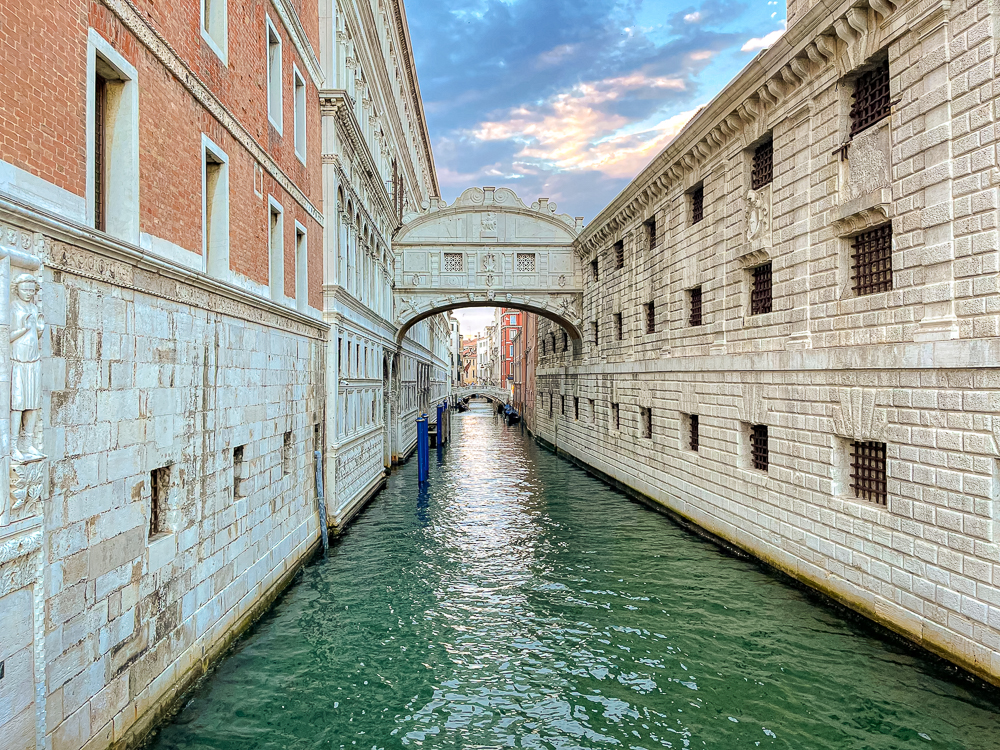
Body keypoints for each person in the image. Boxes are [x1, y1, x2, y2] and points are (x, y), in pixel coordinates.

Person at [10, 273, 44, 461]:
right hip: (18, 363)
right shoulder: (12, 308)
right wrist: (23, 328)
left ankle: (27, 443)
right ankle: (13, 444)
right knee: (18, 404)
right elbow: (7, 337)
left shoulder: (34, 307)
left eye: (32, 290)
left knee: (32, 404)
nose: (29, 293)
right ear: (18, 289)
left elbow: (34, 338)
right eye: (25, 289)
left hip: (33, 362)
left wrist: (38, 330)